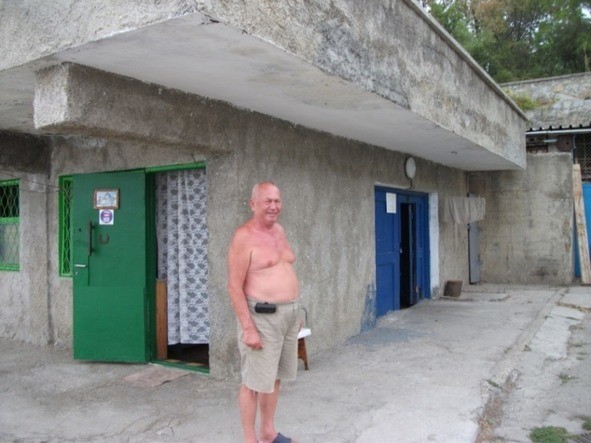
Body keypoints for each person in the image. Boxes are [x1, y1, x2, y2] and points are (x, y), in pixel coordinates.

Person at [227, 181, 300, 443]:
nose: (273, 206)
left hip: (288, 315)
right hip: (261, 317)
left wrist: (293, 313)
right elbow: (234, 286)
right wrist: (248, 328)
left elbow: (282, 267)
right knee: (253, 383)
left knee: (275, 377)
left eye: (277, 201)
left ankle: (268, 432)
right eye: (267, 201)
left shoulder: (279, 231)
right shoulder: (243, 236)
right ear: (253, 204)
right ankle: (250, 439)